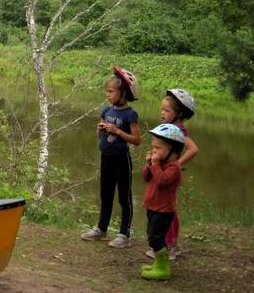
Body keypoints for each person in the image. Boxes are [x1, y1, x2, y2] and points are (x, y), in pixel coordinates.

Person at [81, 66, 141, 248]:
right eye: (106, 91)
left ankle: (124, 234)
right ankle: (102, 229)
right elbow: (100, 136)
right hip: (105, 158)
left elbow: (136, 140)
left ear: (123, 92)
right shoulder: (107, 111)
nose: (107, 95)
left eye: (111, 91)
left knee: (124, 198)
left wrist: (117, 131)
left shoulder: (130, 114)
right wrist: (100, 130)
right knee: (105, 195)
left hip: (121, 160)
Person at [145, 89, 199, 259]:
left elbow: (193, 149)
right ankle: (171, 244)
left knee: (167, 210)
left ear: (179, 113)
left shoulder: (178, 130)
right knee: (168, 209)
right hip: (164, 172)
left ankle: (169, 245)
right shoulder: (171, 128)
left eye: (167, 110)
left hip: (168, 175)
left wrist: (176, 164)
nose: (162, 113)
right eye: (162, 109)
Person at [141, 123, 185, 281]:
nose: (154, 151)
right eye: (153, 147)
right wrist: (149, 164)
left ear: (173, 150)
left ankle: (163, 268)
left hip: (164, 209)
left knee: (156, 238)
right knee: (151, 236)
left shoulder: (173, 168)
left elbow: (162, 180)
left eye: (158, 148)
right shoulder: (160, 165)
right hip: (153, 206)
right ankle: (158, 264)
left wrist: (155, 165)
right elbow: (146, 177)